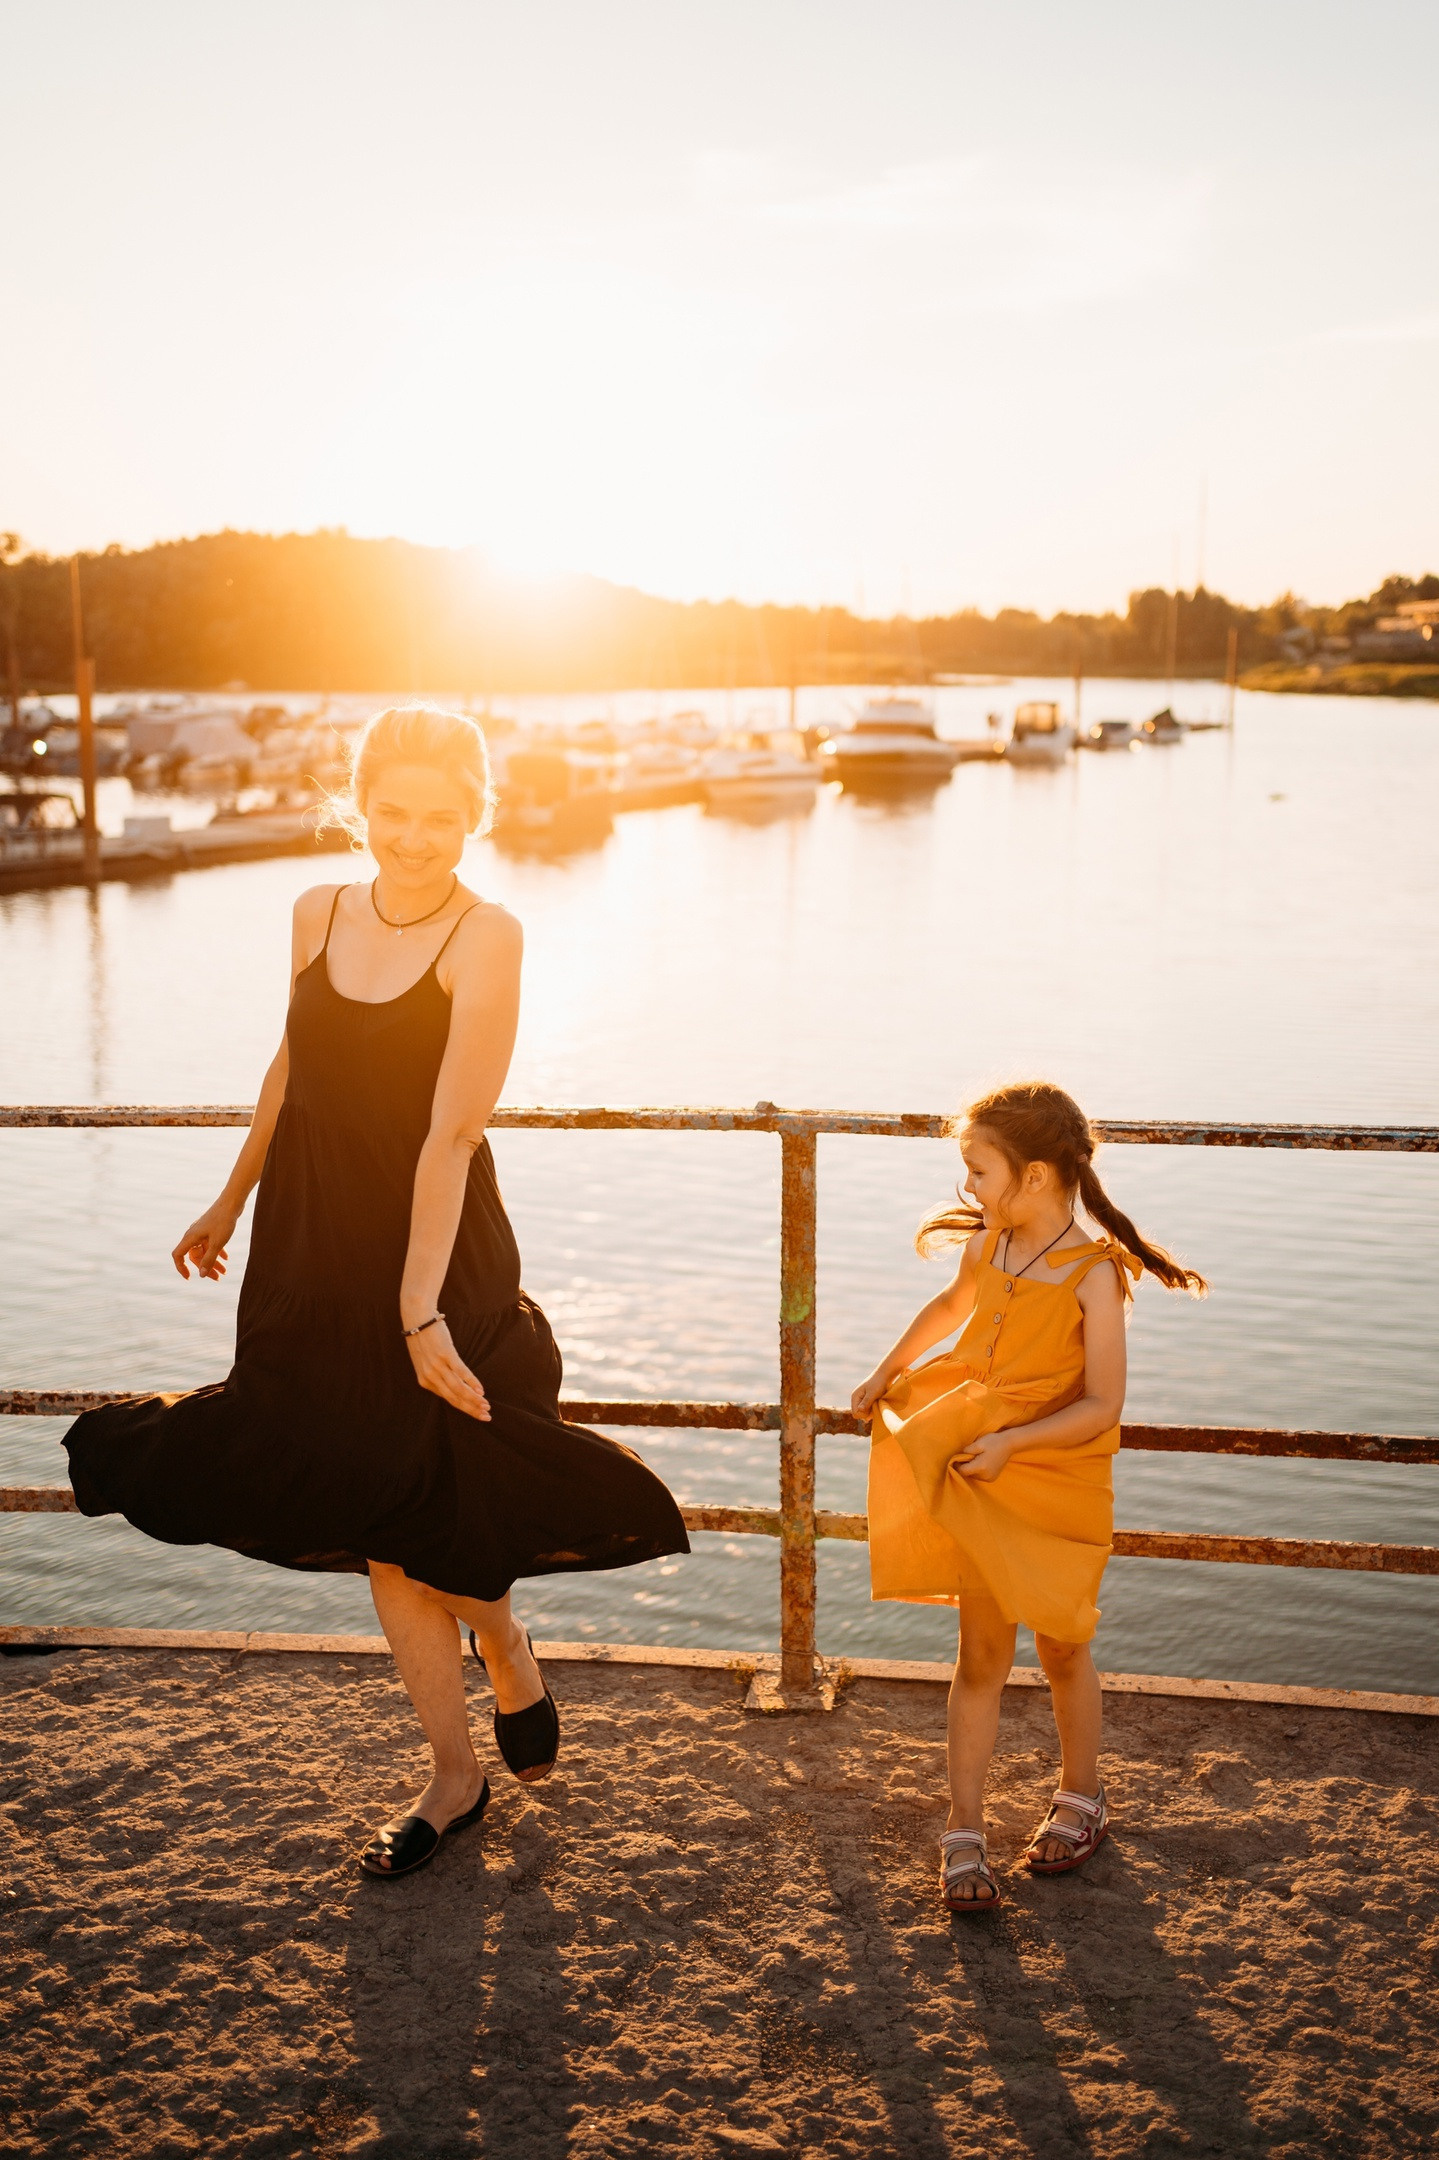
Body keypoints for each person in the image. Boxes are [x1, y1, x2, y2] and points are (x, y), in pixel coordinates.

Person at [65, 704, 689, 1879]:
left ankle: (502, 1642)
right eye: (393, 813)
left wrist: (416, 1311)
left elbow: (452, 1134)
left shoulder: (485, 935)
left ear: (476, 814)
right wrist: (231, 1195)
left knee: (440, 1511)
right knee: (379, 1525)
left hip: (436, 1254)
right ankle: (454, 1780)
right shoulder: (316, 909)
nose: (413, 838)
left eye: (442, 818)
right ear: (360, 802)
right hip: (308, 1249)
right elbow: (291, 1067)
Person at [851, 1082, 1206, 1914]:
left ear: (1037, 1173)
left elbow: (1101, 1405)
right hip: (985, 1467)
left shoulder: (1093, 1274)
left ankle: (1082, 1796)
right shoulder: (990, 1246)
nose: (966, 1187)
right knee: (979, 1654)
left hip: (1054, 1470)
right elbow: (949, 1305)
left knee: (1061, 1645)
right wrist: (886, 1371)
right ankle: (963, 1825)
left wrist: (1014, 1441)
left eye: (978, 1170)